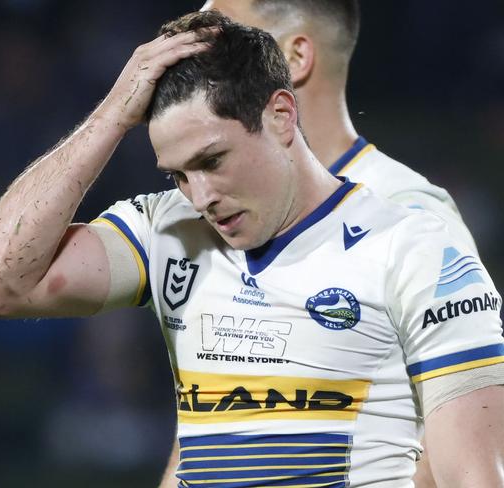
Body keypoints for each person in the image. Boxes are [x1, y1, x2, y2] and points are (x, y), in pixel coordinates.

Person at [0, 10, 504, 488]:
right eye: (177, 175)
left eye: (212, 161)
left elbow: (476, 477)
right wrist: (113, 114)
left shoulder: (415, 250)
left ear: (280, 116)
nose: (200, 197)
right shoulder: (164, 231)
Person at [159, 2, 476, 486]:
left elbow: (453, 441)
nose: (187, 54)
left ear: (295, 56)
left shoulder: (409, 213)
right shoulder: (220, 210)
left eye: (221, 33)